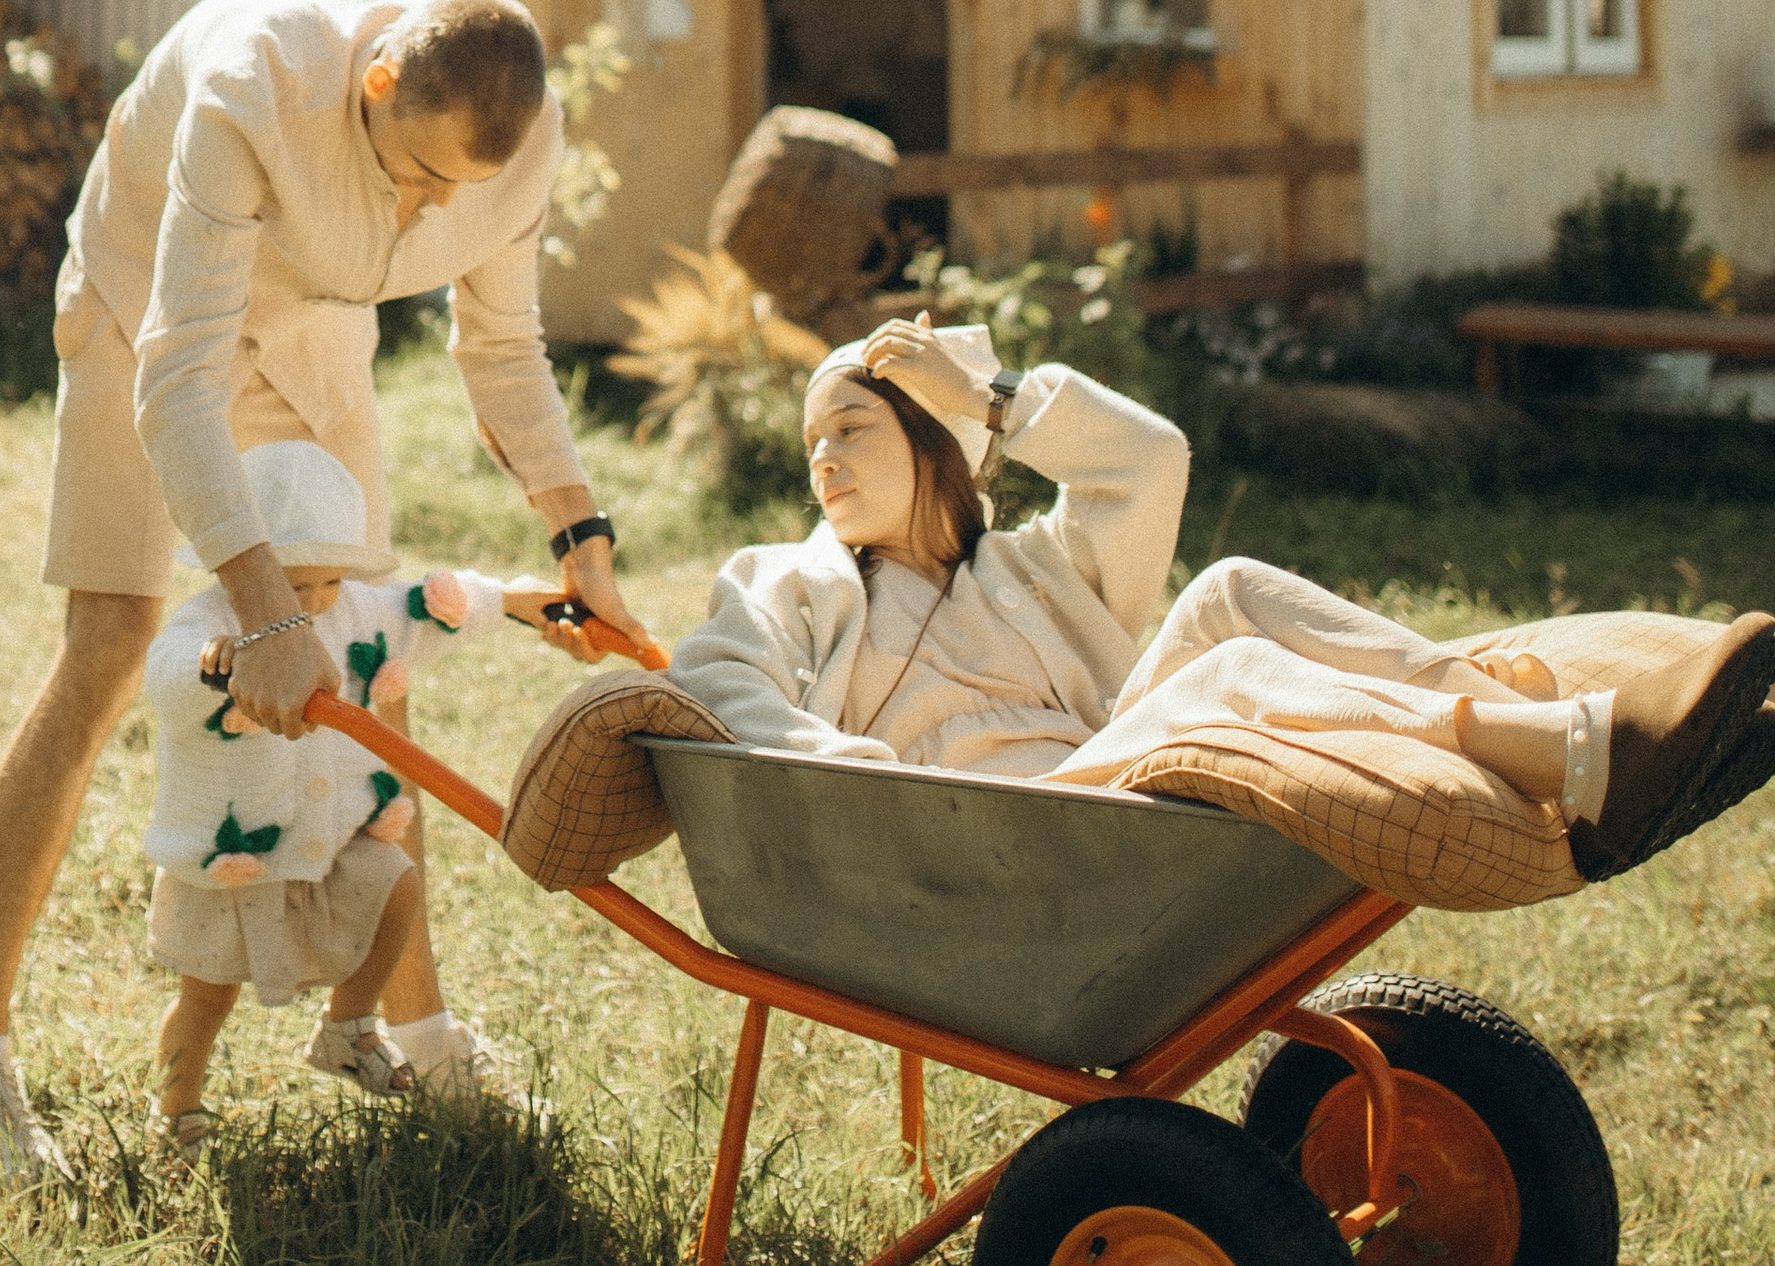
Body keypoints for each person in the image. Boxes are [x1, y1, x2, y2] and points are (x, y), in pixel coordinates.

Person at [0, 0, 643, 1174]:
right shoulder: (255, 83)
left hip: (315, 325)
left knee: (374, 668)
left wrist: (580, 540)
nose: (422, 210)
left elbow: (500, 344)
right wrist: (258, 611)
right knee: (106, 647)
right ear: (375, 82)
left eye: (455, 192)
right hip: (153, 307)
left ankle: (410, 1039)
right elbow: (176, 382)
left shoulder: (523, 134)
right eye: (415, 172)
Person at [666, 322, 1775, 867]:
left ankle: (1519, 713)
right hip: (995, 841)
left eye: (849, 427)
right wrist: (859, 784)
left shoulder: (1034, 572)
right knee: (1236, 668)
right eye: (810, 440)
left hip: (1103, 777)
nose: (820, 458)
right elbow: (714, 679)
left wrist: (987, 395)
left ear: (929, 435)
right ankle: (1586, 757)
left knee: (1230, 590)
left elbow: (1148, 463)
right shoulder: (794, 581)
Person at [145, 437, 563, 1153]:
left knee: (398, 885)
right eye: (290, 585)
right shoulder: (213, 620)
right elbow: (168, 671)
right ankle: (177, 1110)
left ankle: (349, 1025)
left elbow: (432, 607)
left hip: (335, 837)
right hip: (236, 854)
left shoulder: (359, 612)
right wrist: (217, 665)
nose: (308, 604)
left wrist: (516, 601)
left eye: (326, 584)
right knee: (206, 995)